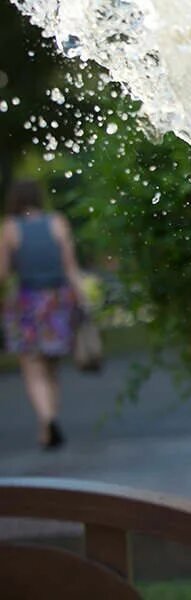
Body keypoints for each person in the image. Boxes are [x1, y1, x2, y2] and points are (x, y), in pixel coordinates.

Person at [1, 178, 89, 450]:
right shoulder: (58, 222)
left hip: (27, 302)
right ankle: (51, 418)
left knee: (33, 366)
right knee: (52, 366)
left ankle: (46, 419)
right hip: (58, 299)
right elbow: (71, 267)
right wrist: (83, 301)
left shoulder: (9, 228)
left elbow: (2, 273)